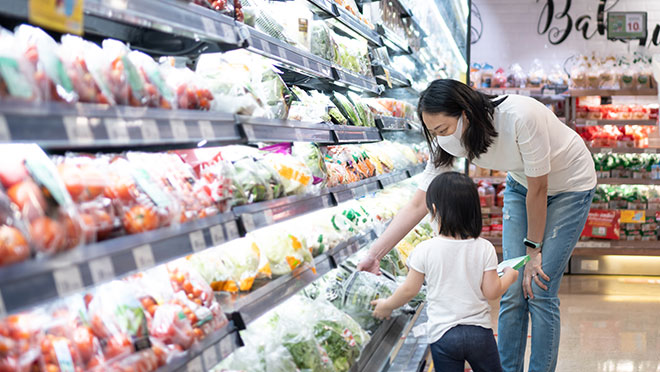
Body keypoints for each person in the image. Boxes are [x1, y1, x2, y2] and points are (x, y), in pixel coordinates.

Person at [358, 79, 596, 372]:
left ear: (465, 112)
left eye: (442, 129)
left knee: (539, 287)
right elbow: (419, 204)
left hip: (570, 185)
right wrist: (375, 253)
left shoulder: (520, 116)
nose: (440, 137)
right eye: (433, 132)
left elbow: (540, 188)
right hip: (521, 184)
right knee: (511, 291)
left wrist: (533, 252)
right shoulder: (446, 139)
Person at [371, 172, 518, 372]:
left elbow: (409, 290)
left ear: (433, 210)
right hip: (479, 333)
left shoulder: (424, 249)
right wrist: (509, 275)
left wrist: (387, 305)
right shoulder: (484, 247)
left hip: (443, 335)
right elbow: (492, 292)